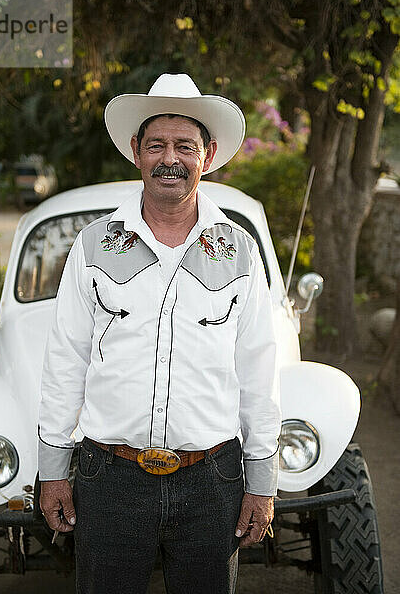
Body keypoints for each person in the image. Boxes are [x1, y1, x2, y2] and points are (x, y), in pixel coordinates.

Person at [38, 73, 281, 594]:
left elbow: (258, 371)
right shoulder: (93, 245)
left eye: (185, 146)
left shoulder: (239, 250)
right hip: (110, 478)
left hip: (213, 481)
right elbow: (66, 360)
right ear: (136, 152)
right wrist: (53, 469)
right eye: (157, 145)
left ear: (208, 154)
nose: (170, 158)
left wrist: (261, 483)